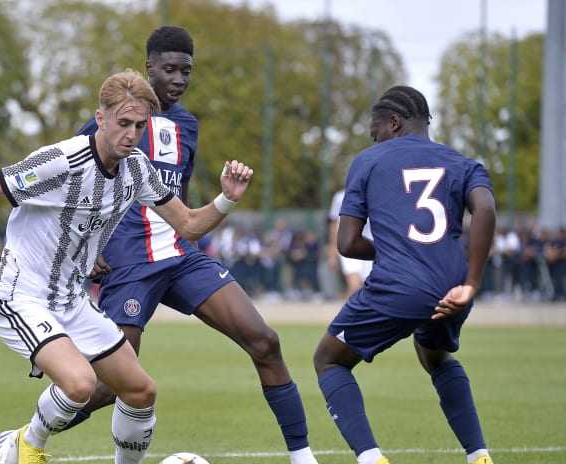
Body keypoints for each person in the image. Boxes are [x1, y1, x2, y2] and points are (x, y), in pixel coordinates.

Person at [0, 68, 255, 464]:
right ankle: (23, 444)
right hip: (20, 295)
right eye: (123, 123)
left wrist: (226, 199)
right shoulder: (61, 162)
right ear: (101, 118)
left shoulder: (136, 167)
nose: (131, 133)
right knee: (79, 383)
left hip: (71, 300)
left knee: (141, 392)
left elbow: (189, 224)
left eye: (140, 125)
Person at [66, 26, 319, 464]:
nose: (179, 79)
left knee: (265, 342)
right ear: (149, 69)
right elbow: (71, 182)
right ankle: (24, 437)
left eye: (186, 71)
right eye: (169, 70)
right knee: (110, 385)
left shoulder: (187, 125)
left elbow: (177, 197)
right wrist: (84, 248)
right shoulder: (112, 120)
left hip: (183, 258)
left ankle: (303, 458)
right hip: (129, 263)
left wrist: (222, 199)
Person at [312, 85, 496, 464]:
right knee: (436, 358)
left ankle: (371, 458)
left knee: (329, 360)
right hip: (453, 287)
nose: (373, 137)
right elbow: (486, 210)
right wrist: (472, 283)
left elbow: (346, 244)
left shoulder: (368, 161)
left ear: (393, 122)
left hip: (397, 285)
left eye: (374, 129)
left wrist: (401, 253)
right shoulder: (463, 163)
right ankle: (479, 455)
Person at [327, 188, 373, 297]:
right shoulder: (340, 197)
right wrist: (332, 250)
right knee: (354, 285)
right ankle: (351, 313)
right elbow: (334, 224)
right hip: (350, 243)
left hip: (370, 245)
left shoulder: (374, 194)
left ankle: (358, 312)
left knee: (365, 286)